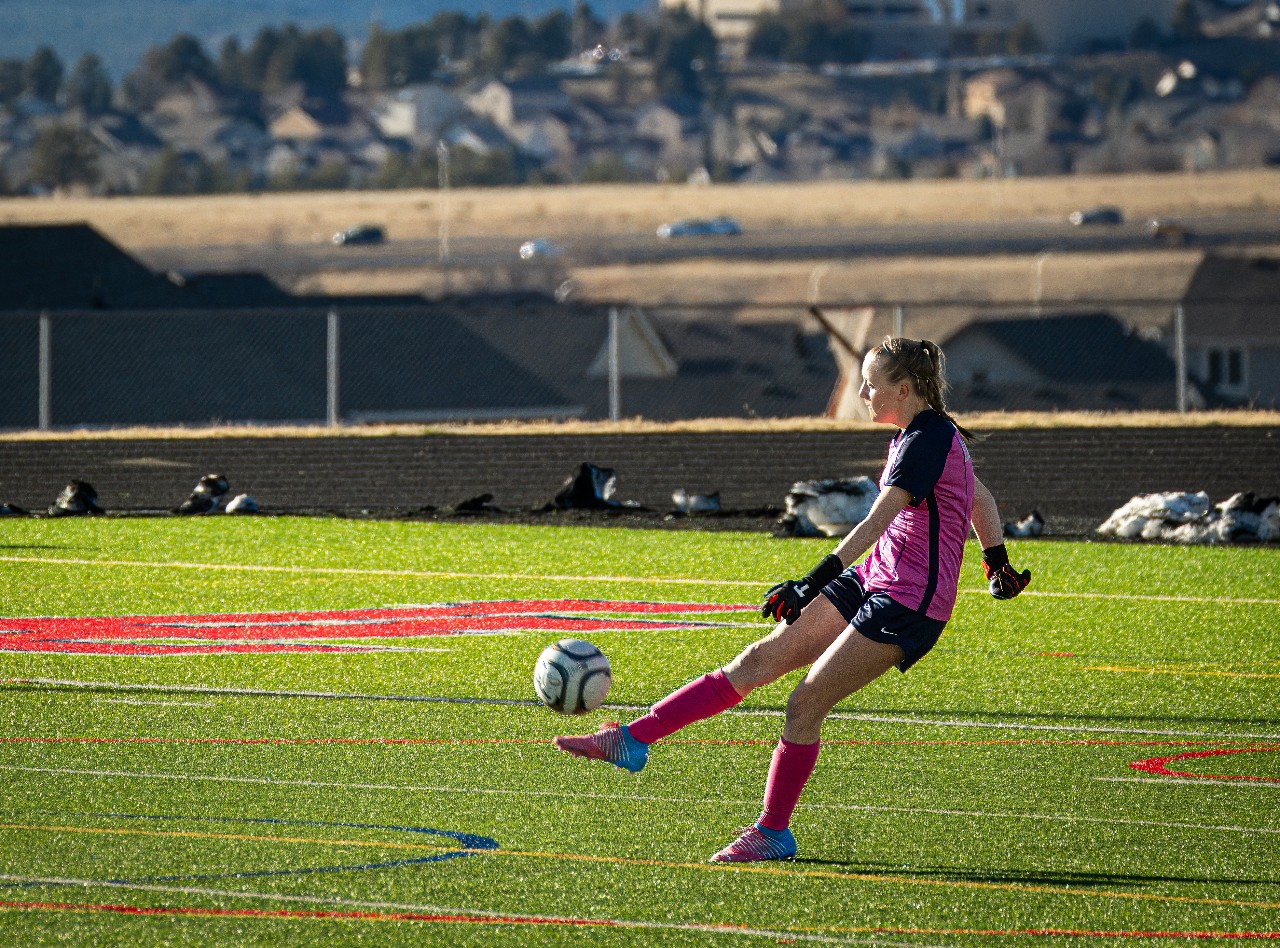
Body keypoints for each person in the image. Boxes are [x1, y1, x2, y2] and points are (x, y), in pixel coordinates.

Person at [553, 337, 1031, 863]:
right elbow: (979, 495)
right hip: (876, 578)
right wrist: (996, 559)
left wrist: (810, 581)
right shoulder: (924, 435)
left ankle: (773, 833)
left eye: (872, 383)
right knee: (760, 659)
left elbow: (877, 521)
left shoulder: (926, 439)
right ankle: (633, 739)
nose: (864, 392)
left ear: (905, 388)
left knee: (805, 702)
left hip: (909, 602)